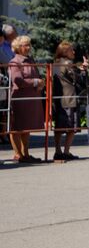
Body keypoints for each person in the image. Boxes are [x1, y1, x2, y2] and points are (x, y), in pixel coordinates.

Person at [5, 35, 45, 163]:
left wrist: (40, 84)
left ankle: (26, 153)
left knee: (26, 127)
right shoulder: (14, 62)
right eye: (25, 45)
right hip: (19, 99)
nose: (29, 48)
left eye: (29, 45)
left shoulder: (30, 60)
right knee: (17, 127)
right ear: (18, 47)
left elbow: (37, 76)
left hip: (31, 98)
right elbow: (18, 81)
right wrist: (35, 82)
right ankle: (18, 154)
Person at [51, 41, 84, 161]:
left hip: (59, 98)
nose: (73, 52)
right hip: (70, 98)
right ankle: (66, 151)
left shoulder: (55, 63)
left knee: (59, 127)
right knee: (71, 126)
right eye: (71, 50)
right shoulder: (68, 63)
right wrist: (83, 70)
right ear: (65, 52)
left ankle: (57, 150)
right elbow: (77, 79)